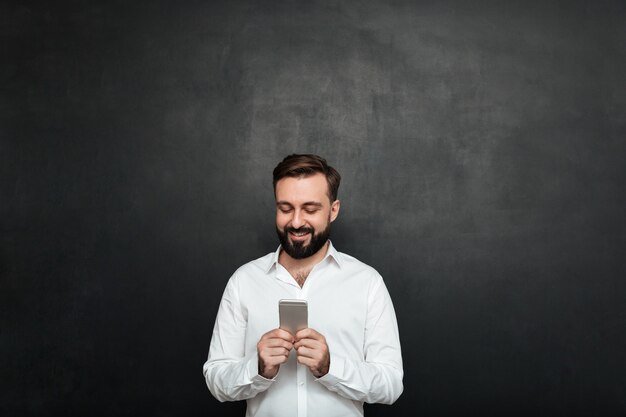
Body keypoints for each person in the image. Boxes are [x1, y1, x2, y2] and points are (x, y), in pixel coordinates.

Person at [203, 154, 403, 417]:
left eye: (310, 209)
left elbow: (390, 386)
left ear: (333, 210)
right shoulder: (244, 281)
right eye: (285, 208)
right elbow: (216, 380)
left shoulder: (368, 283)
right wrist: (258, 369)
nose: (296, 222)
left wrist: (330, 368)